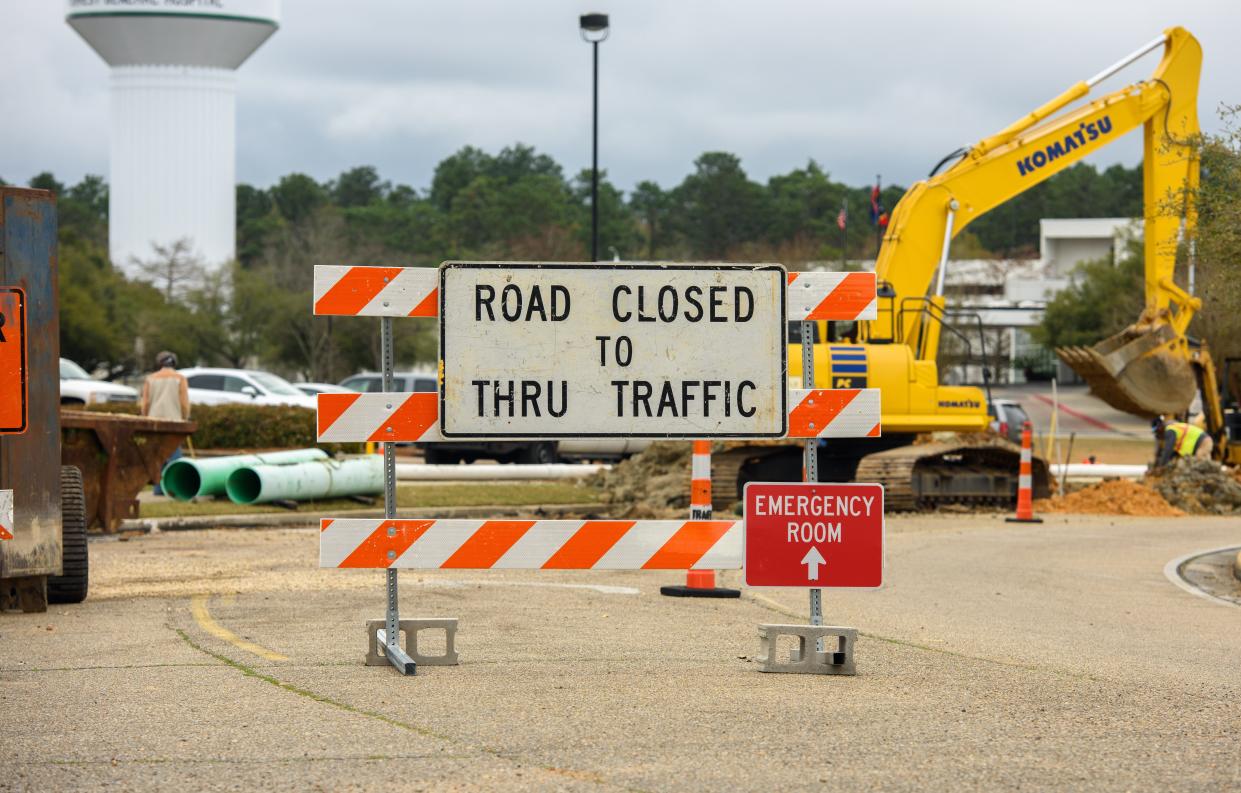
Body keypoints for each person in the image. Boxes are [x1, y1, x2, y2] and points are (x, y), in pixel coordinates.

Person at [141, 351, 191, 495]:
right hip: (174, 423)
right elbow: (184, 404)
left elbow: (145, 404)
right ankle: (175, 487)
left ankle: (158, 489)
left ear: (159, 363)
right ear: (174, 363)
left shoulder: (150, 379)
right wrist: (185, 418)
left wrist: (145, 419)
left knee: (157, 456)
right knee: (174, 457)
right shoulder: (180, 379)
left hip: (154, 423)